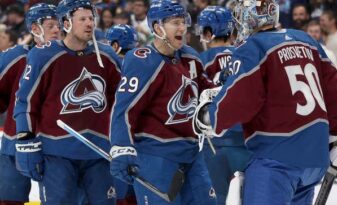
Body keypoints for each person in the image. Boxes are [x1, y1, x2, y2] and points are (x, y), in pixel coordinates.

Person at [194, 0, 337, 204]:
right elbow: (336, 93)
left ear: (250, 18)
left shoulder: (254, 47)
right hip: (315, 157)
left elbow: (242, 99)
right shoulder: (306, 39)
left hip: (277, 158)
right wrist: (336, 135)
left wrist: (210, 115)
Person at [13, 0, 122, 204]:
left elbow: (123, 104)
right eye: (82, 19)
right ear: (66, 23)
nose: (89, 24)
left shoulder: (107, 57)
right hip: (57, 153)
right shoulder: (43, 55)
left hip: (99, 152)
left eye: (91, 18)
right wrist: (25, 139)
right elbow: (26, 101)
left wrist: (125, 142)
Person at [109, 1, 217, 204]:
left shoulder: (190, 56)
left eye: (183, 22)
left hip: (192, 152)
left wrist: (225, 86)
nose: (182, 28)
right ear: (158, 28)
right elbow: (124, 109)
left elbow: (207, 91)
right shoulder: (142, 60)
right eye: (175, 23)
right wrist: (122, 147)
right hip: (156, 155)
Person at [0, 3, 60, 205]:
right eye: (51, 25)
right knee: (8, 199)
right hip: (15, 145)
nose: (57, 29)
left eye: (60, 24)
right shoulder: (15, 57)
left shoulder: (72, 59)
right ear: (35, 29)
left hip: (58, 149)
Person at [196, 6, 252, 204]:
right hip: (245, 141)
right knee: (251, 198)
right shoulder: (246, 54)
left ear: (209, 33)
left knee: (216, 198)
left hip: (213, 144)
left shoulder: (199, 60)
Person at [106, 24, 139, 205]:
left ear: (116, 45)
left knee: (119, 194)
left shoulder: (107, 64)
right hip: (141, 140)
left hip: (116, 138)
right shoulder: (145, 62)